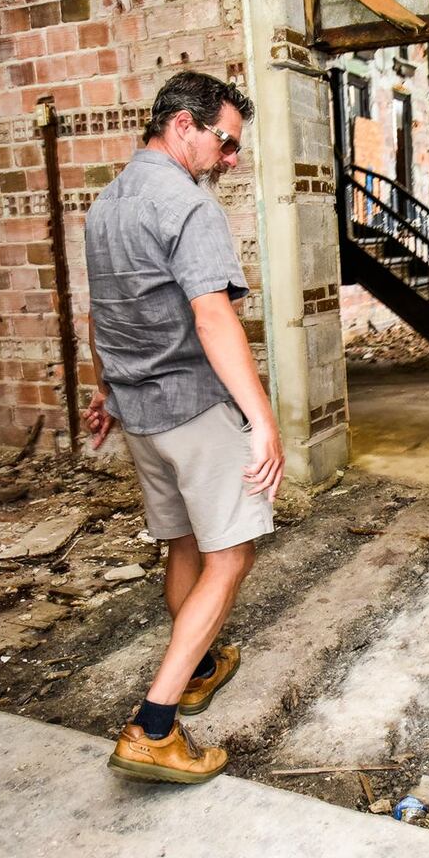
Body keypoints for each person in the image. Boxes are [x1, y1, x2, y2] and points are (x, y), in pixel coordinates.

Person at [82, 71, 283, 784]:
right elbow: (212, 317)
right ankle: (155, 724)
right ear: (183, 126)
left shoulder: (105, 204)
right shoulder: (188, 207)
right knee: (231, 556)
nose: (231, 159)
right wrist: (263, 421)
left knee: (185, 542)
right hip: (195, 411)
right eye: (226, 143)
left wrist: (105, 389)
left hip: (140, 414)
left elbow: (99, 311)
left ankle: (196, 664)